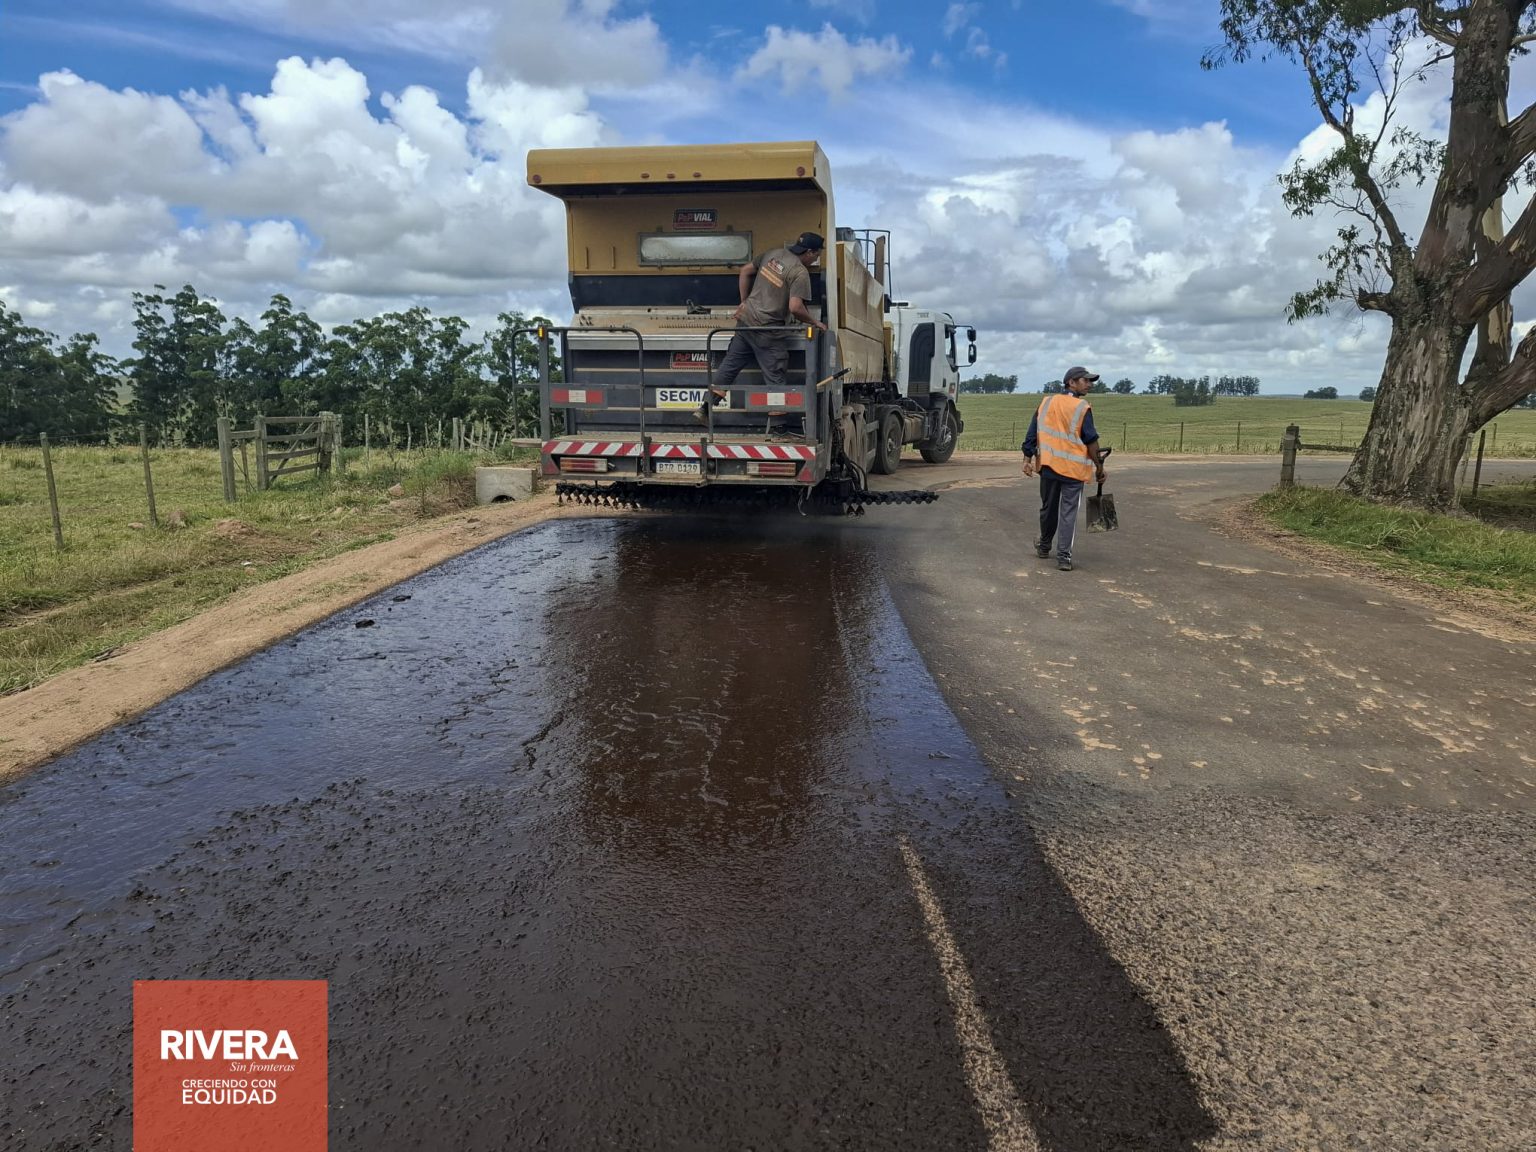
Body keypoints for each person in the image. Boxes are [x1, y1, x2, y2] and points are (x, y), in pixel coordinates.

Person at [697, 232, 828, 422]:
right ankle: (777, 425)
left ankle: (705, 409)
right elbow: (795, 307)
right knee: (775, 376)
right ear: (809, 252)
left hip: (745, 323)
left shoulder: (773, 254)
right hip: (768, 330)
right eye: (816, 255)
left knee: (730, 366)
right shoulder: (799, 272)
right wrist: (815, 322)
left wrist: (744, 302)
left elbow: (744, 271)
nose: (816, 259)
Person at [1021, 367, 1107, 571]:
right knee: (1068, 513)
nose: (1089, 384)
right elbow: (1091, 441)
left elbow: (1033, 431)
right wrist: (1099, 467)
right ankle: (1064, 558)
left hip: (1049, 467)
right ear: (1071, 382)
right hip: (1073, 471)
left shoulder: (1046, 402)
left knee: (1048, 508)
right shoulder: (1082, 407)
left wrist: (1027, 458)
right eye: (1085, 380)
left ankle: (1044, 546)